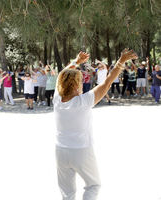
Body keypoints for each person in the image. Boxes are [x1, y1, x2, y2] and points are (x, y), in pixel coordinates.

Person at [54, 50, 137, 200]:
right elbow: (107, 82)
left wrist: (76, 62)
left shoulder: (57, 99)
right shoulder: (83, 101)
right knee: (93, 185)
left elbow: (62, 74)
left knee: (67, 192)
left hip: (60, 150)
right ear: (76, 85)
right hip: (81, 150)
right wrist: (121, 61)